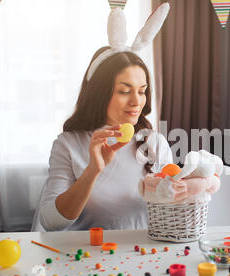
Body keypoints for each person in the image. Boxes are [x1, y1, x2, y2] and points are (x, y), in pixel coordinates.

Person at [31, 49, 173, 232]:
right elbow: (50, 222)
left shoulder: (155, 143)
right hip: (87, 254)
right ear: (100, 93)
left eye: (142, 91)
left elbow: (171, 211)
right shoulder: (68, 144)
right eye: (124, 91)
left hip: (143, 252)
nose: (137, 101)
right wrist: (93, 170)